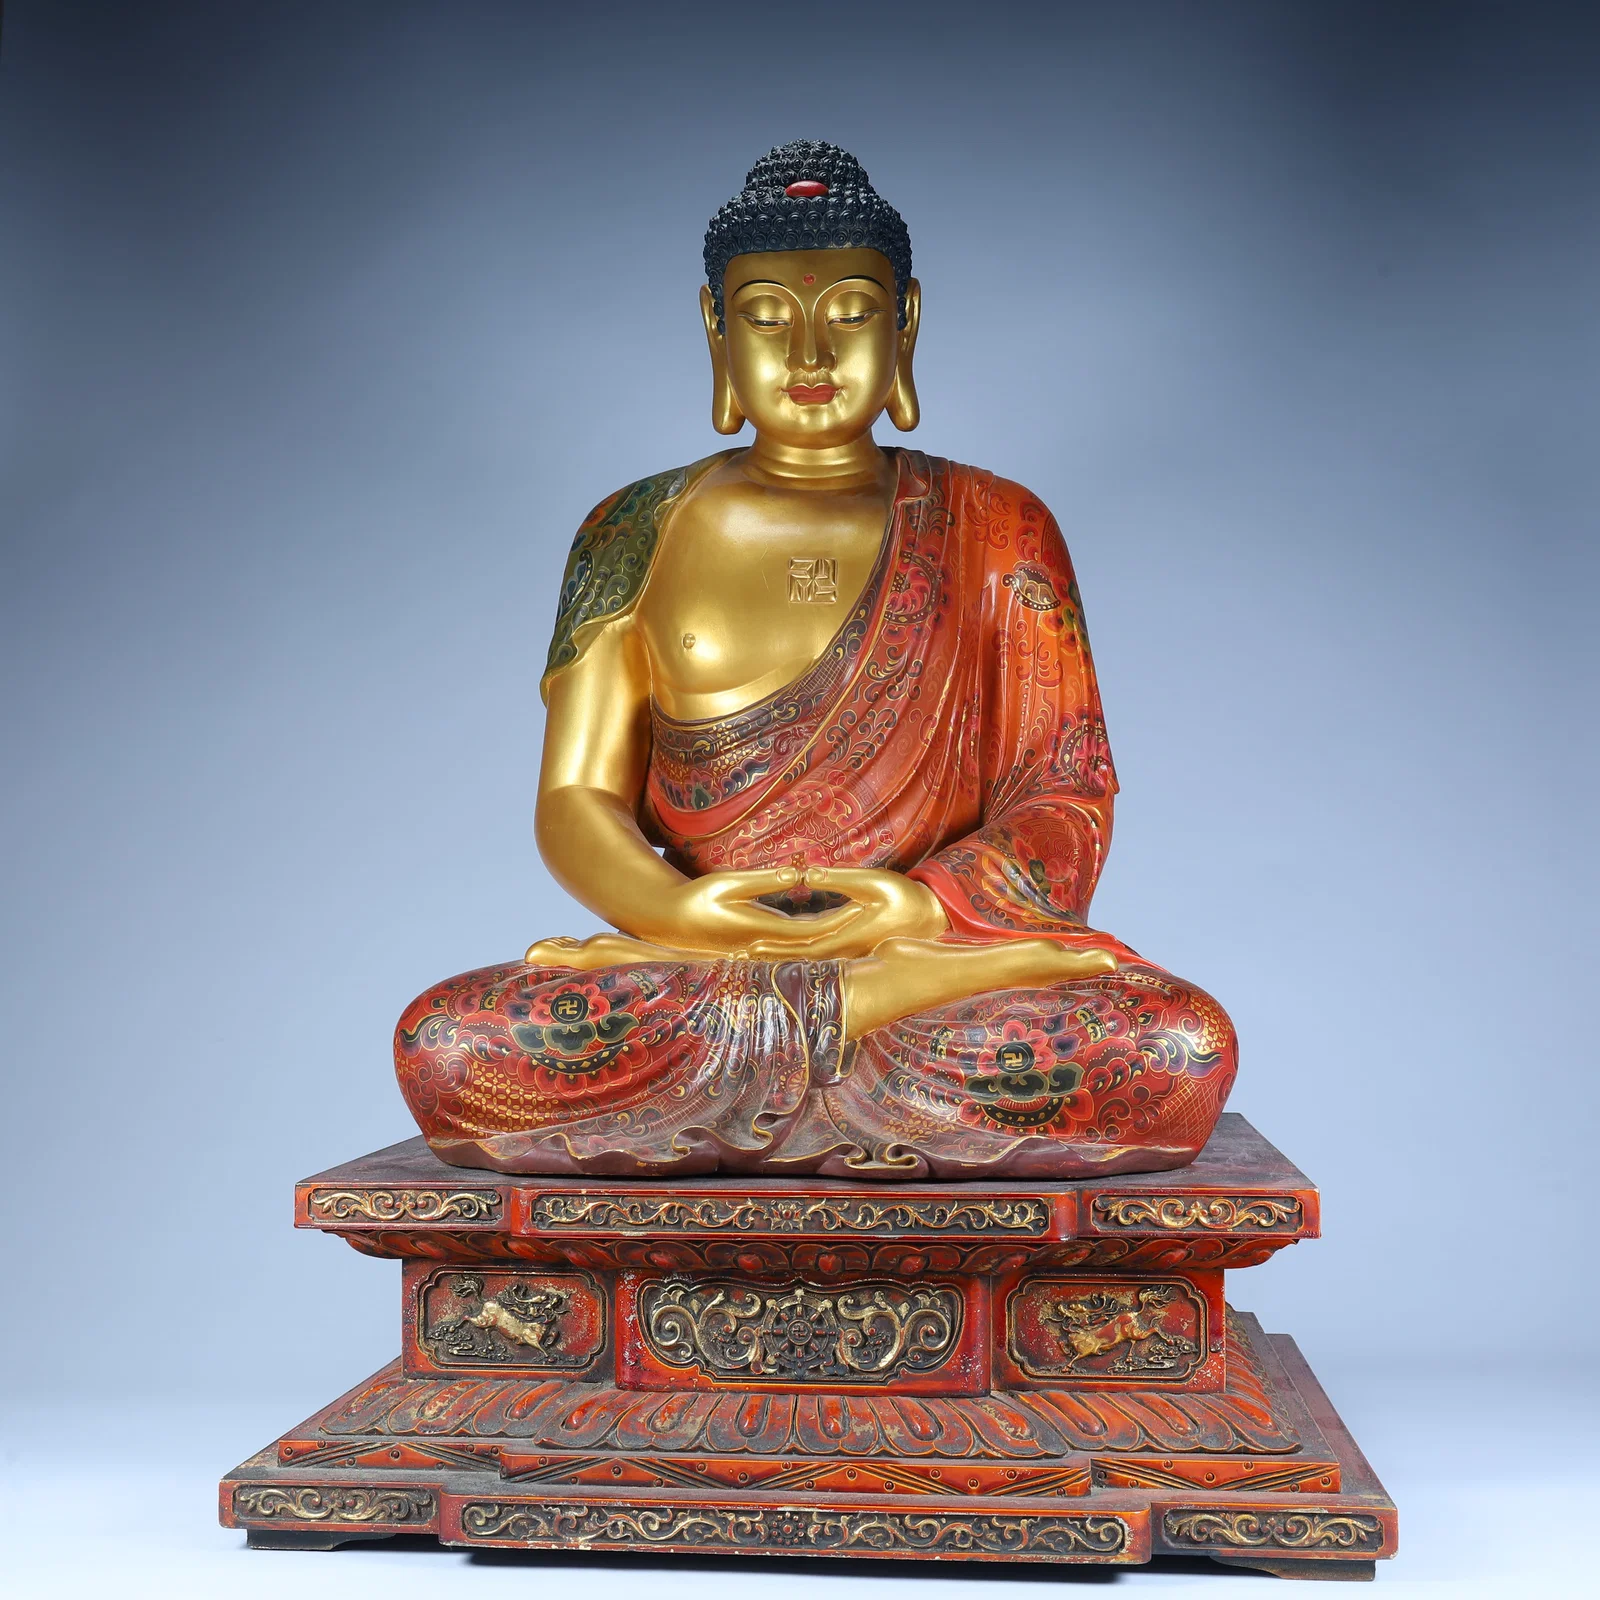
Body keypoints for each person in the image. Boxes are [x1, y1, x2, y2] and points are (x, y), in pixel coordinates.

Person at [394, 141, 1237, 1178]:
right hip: (709, 963)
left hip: (926, 957)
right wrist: (676, 911)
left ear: (905, 324)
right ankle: (848, 1033)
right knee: (449, 1044)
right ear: (714, 329)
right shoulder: (629, 529)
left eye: (848, 314)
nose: (807, 353)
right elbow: (576, 797)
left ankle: (805, 1047)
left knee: (1174, 1048)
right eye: (764, 317)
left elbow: (1064, 797)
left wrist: (918, 907)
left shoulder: (999, 525)